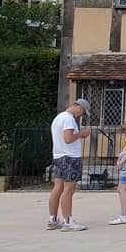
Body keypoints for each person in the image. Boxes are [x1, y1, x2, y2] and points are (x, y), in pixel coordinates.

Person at [47, 99, 92, 232]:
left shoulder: (58, 117)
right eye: (82, 113)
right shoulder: (69, 119)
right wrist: (81, 134)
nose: (81, 116)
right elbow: (68, 139)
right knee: (69, 190)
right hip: (70, 158)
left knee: (58, 188)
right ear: (78, 108)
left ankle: (53, 220)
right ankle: (68, 222)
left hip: (59, 156)